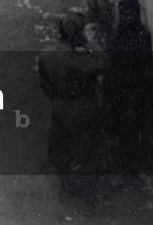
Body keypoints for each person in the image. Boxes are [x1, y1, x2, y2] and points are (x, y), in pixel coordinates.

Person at [38, 13, 108, 197]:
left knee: (61, 146)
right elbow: (105, 64)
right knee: (87, 149)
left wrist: (56, 99)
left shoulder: (47, 55)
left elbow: (44, 84)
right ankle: (87, 193)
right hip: (84, 108)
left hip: (60, 106)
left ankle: (65, 184)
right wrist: (92, 43)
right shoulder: (81, 62)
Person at [102, 0, 153, 174]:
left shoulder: (142, 37)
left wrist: (135, 98)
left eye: (129, 14)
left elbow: (145, 72)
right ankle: (124, 165)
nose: (126, 18)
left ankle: (131, 167)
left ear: (137, 15)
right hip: (116, 93)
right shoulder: (117, 34)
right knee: (119, 131)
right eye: (123, 14)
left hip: (133, 95)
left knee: (132, 132)